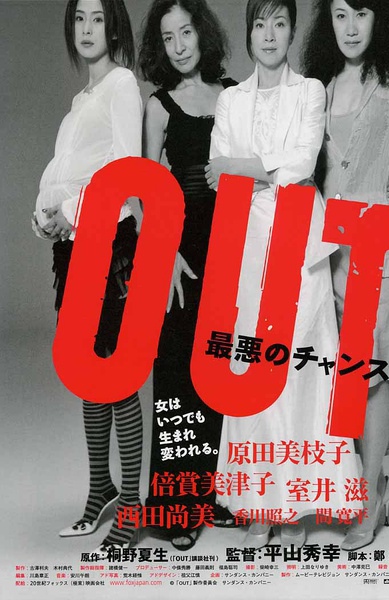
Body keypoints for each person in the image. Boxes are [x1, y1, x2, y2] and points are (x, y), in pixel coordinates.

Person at [206, 0, 362, 550]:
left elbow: (299, 164)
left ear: (292, 31)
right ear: (248, 33)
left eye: (279, 23)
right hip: (247, 241)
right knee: (252, 363)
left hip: (299, 238)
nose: (269, 35)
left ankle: (295, 500)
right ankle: (259, 499)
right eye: (259, 24)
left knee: (300, 362)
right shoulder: (230, 99)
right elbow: (216, 173)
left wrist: (242, 167)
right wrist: (248, 169)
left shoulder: (310, 91)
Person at [301, 0, 389, 550]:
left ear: (381, 19)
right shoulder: (321, 86)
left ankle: (370, 495)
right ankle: (366, 482)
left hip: (383, 244)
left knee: (372, 367)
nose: (350, 28)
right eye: (339, 15)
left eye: (361, 13)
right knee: (346, 374)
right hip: (332, 247)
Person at [32, 0, 143, 558]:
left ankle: (133, 506)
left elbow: (126, 171)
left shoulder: (122, 86)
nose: (86, 28)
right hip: (73, 248)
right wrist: (45, 216)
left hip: (109, 245)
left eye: (97, 18)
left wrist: (72, 212)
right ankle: (102, 489)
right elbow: (61, 175)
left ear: (114, 27)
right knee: (87, 372)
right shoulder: (81, 100)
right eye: (79, 18)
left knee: (116, 375)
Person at [138, 0, 236, 550]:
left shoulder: (235, 94)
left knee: (221, 369)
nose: (178, 46)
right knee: (177, 373)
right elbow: (145, 190)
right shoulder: (158, 107)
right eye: (167, 37)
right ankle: (177, 506)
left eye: (186, 32)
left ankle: (215, 492)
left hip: (231, 246)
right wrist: (167, 251)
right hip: (180, 252)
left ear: (203, 33)